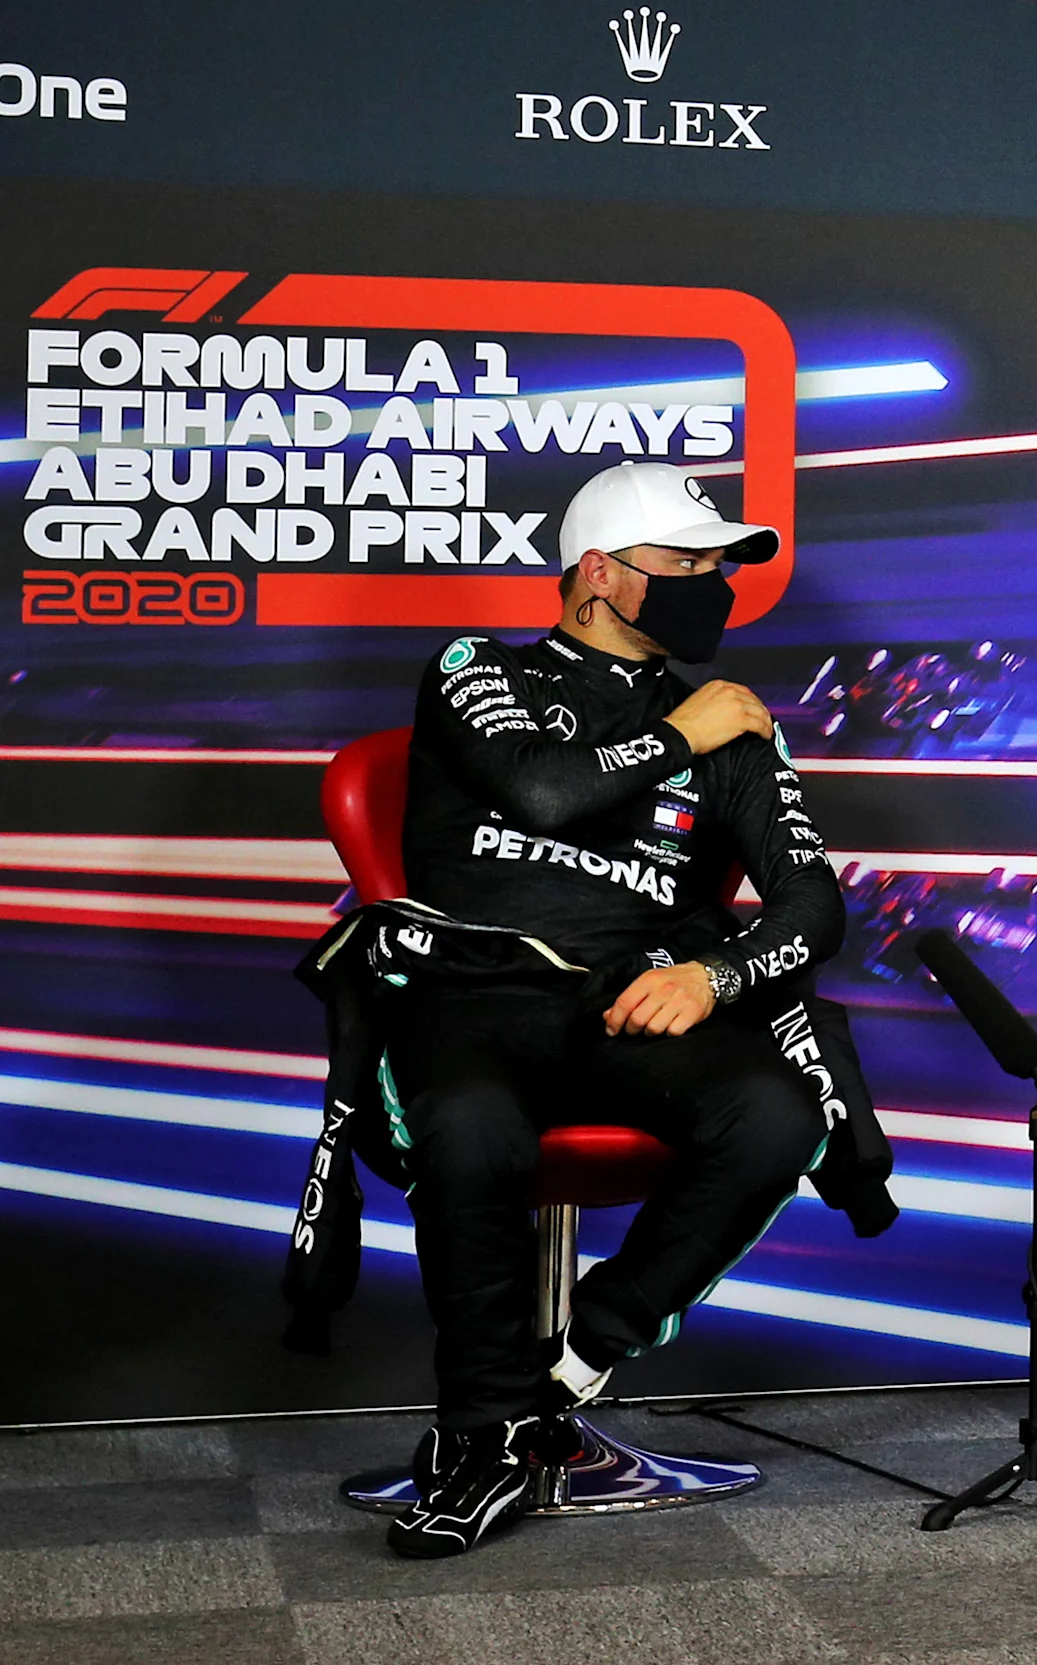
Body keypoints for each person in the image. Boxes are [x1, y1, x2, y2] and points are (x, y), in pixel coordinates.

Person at [369, 462, 855, 1556]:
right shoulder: (475, 666)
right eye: (685, 561)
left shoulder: (737, 726)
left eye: (717, 563)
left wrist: (713, 977)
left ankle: (573, 1360)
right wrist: (681, 734)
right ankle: (476, 1434)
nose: (712, 583)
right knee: (470, 1128)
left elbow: (812, 899)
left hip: (633, 1010)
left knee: (778, 1115)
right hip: (473, 994)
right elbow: (540, 790)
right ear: (598, 573)